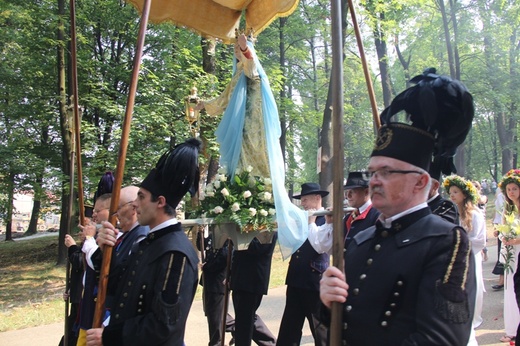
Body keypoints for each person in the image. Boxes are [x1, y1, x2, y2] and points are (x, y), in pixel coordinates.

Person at [319, 68, 476, 345]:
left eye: (387, 172)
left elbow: (442, 340)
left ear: (420, 182)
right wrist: (328, 302)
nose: (374, 182)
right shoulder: (359, 238)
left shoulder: (445, 241)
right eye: (372, 172)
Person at [196, 31, 307, 258]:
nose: (237, 52)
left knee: (257, 159)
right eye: (235, 50)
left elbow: (252, 67)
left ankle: (262, 197)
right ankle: (243, 196)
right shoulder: (236, 75)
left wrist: (247, 49)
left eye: (239, 49)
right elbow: (223, 101)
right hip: (241, 131)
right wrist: (203, 106)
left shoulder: (252, 69)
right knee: (240, 164)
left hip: (257, 127)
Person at [86, 138, 201, 346]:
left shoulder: (176, 253)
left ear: (160, 202)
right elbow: (115, 289)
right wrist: (102, 252)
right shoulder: (146, 244)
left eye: (141, 197)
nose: (135, 204)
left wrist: (110, 336)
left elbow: (163, 326)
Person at [277, 183, 331, 346]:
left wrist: (311, 222)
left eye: (306, 199)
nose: (303, 203)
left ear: (317, 198)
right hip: (296, 279)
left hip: (313, 281)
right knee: (289, 328)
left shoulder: (326, 218)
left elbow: (321, 246)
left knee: (319, 328)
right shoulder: (301, 219)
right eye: (301, 200)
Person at [90, 186, 149, 315]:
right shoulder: (128, 235)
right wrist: (103, 249)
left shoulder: (141, 237)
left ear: (133, 208)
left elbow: (127, 281)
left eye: (118, 209)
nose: (116, 214)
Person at [443, 175, 486, 341]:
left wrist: (460, 240)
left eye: (455, 192)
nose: (452, 195)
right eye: (450, 192)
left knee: (471, 284)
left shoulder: (474, 214)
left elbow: (480, 240)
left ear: (464, 194)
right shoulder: (452, 212)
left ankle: (472, 318)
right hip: (457, 256)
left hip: (471, 255)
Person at [230, 231, 278, 346]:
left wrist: (235, 235)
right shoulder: (251, 227)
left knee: (244, 325)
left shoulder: (269, 229)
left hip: (252, 281)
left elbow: (256, 248)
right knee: (243, 322)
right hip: (239, 280)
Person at [76, 193, 112, 346]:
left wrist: (89, 240)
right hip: (88, 304)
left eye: (98, 210)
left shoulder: (117, 234)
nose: (94, 214)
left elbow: (99, 263)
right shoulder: (99, 233)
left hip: (103, 308)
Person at [196, 229, 233, 346]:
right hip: (209, 281)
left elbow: (224, 258)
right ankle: (238, 328)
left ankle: (216, 343)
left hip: (218, 281)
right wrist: (199, 233)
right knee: (215, 314)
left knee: (215, 317)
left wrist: (206, 267)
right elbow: (202, 245)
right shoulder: (215, 235)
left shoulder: (228, 237)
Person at [497, 169, 520, 344]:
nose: (511, 192)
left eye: (514, 188)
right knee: (510, 288)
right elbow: (502, 227)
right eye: (508, 189)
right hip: (511, 253)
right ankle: (511, 327)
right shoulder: (508, 208)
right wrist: (503, 237)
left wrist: (517, 240)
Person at [342, 172, 380, 250]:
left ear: (366, 192)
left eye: (352, 192)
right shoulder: (348, 217)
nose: (348, 196)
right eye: (346, 192)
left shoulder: (377, 215)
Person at [492, 187, 505, 290]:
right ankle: (501, 280)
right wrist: (496, 227)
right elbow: (498, 213)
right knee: (502, 253)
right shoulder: (501, 197)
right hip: (503, 227)